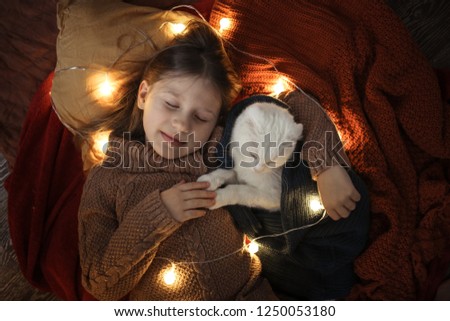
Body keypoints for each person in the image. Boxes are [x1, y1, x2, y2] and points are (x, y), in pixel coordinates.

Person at [78, 20, 278, 300]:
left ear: (215, 122)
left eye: (200, 117)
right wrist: (160, 213)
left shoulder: (221, 152)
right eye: (171, 104)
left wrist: (328, 166)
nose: (182, 125)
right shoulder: (108, 181)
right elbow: (101, 284)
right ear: (144, 94)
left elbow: (292, 110)